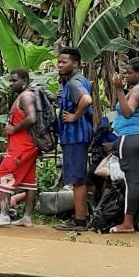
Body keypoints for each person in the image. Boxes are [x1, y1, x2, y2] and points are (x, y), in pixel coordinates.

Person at [0, 68, 41, 227]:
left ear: (24, 81)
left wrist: (14, 128)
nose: (10, 83)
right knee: (29, 182)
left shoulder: (25, 96)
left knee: (2, 175)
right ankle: (27, 218)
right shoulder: (25, 96)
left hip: (22, 146)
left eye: (14, 80)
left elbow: (32, 118)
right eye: (10, 80)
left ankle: (4, 214)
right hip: (27, 145)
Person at [109, 58, 139, 233]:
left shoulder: (136, 90)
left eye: (130, 73)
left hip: (130, 137)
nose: (126, 76)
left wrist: (119, 90)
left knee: (132, 181)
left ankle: (127, 223)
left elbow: (128, 112)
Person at [55, 48, 94, 230]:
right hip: (77, 136)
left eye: (64, 62)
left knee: (77, 178)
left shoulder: (74, 83)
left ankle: (80, 220)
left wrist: (74, 117)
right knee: (78, 177)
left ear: (75, 63)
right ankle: (81, 216)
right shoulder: (78, 80)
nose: (60, 65)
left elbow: (86, 100)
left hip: (75, 136)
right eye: (59, 62)